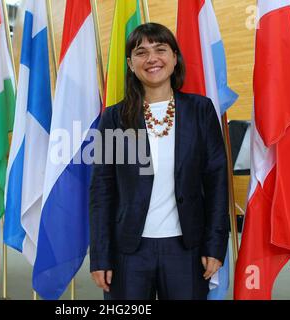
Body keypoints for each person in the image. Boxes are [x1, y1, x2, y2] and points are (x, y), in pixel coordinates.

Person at [89, 23, 229, 300]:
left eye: (160, 49)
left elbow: (217, 183)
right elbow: (102, 191)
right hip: (128, 252)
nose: (152, 58)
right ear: (130, 64)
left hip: (186, 250)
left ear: (175, 58)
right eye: (141, 52)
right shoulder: (114, 118)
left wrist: (215, 246)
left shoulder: (201, 110)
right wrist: (101, 255)